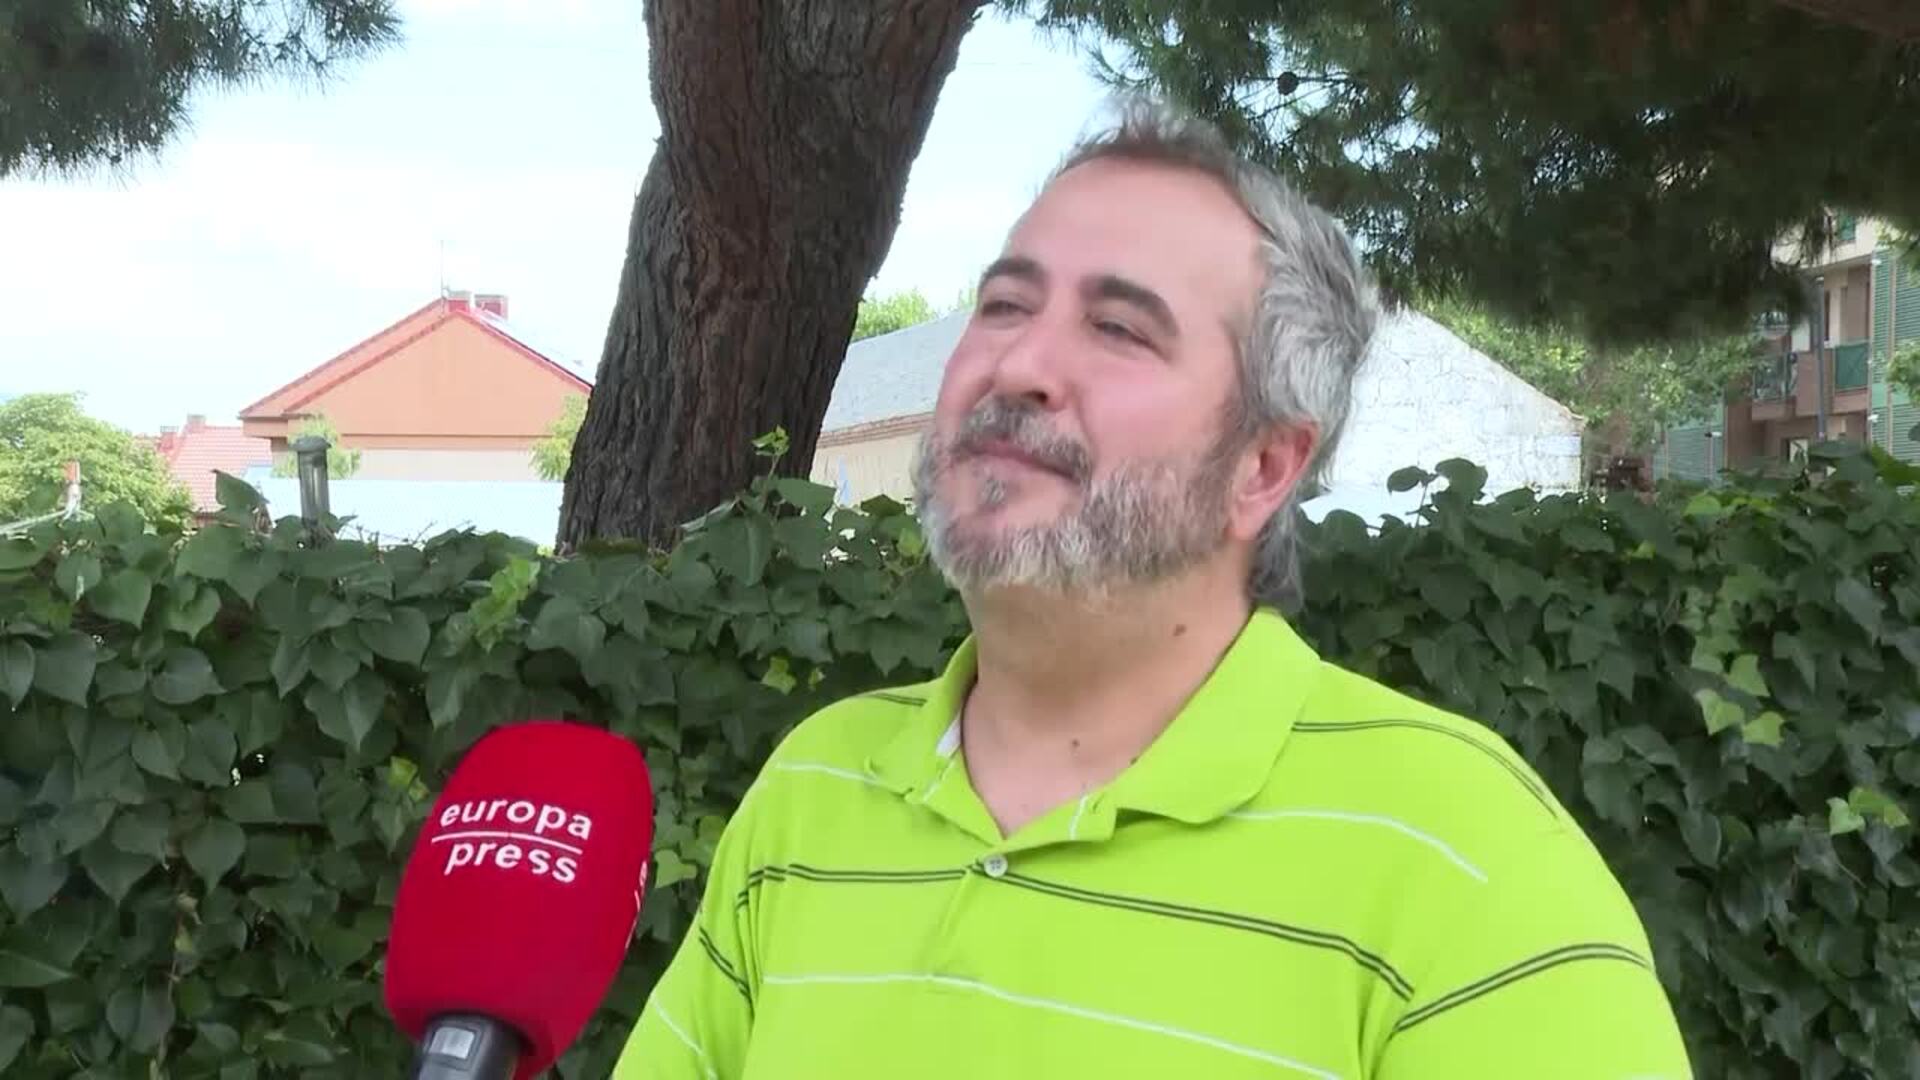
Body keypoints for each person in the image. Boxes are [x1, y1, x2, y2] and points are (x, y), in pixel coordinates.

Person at [613, 97, 1691, 1079]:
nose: (1018, 366)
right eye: (1003, 305)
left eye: (1119, 329)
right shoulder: (813, 790)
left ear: (1262, 467)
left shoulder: (1470, 858)